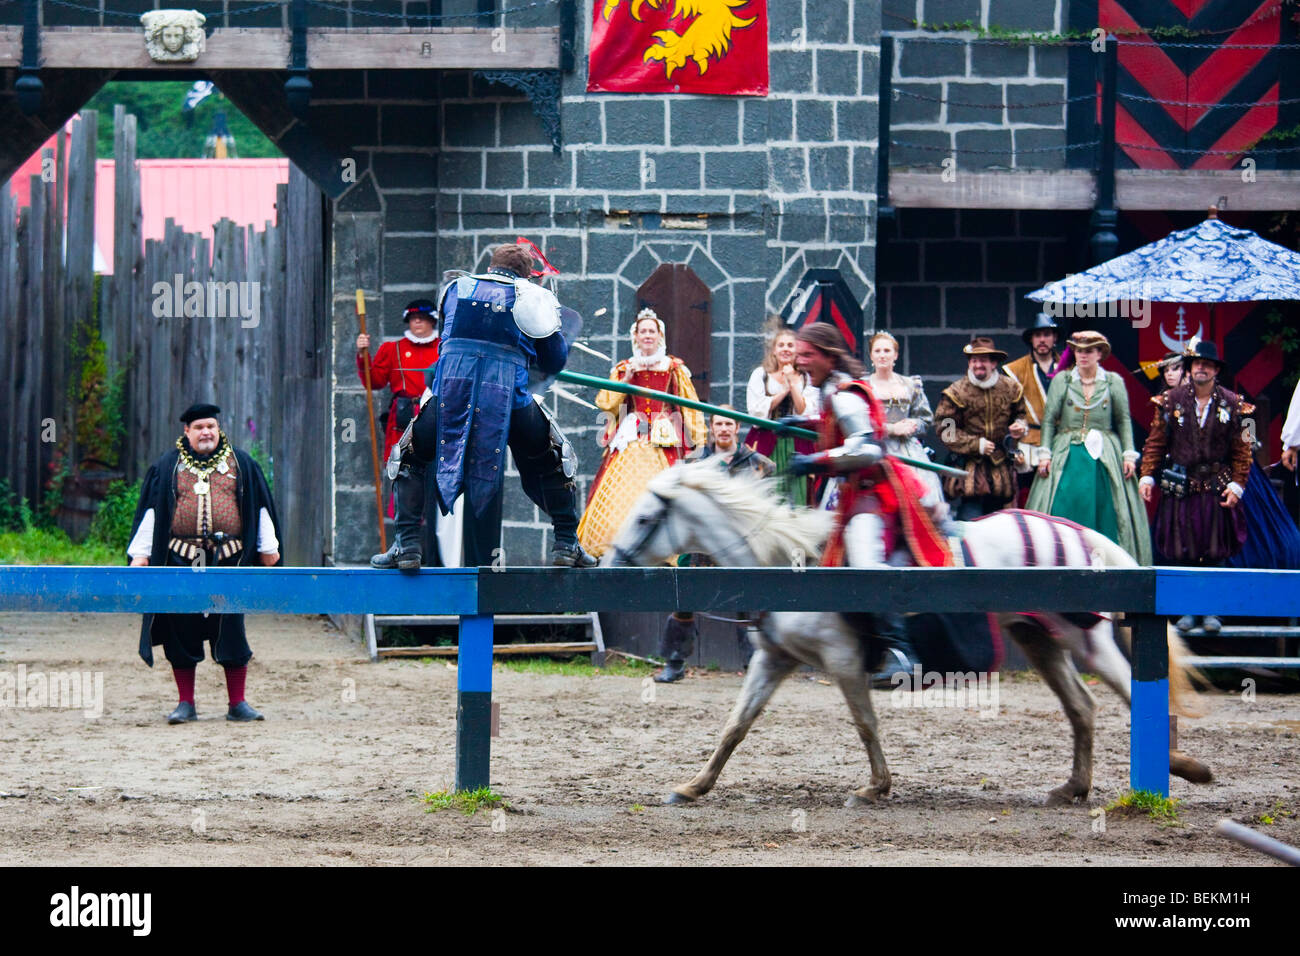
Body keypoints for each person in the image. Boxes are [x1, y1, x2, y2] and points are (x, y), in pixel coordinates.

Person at [379, 243, 596, 569]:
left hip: (451, 396)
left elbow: (448, 345)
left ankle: (407, 544)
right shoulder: (533, 297)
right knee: (553, 457)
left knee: (410, 454)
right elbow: (553, 359)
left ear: (492, 265)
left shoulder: (455, 288)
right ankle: (566, 542)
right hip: (510, 399)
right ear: (525, 273)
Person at [788, 323, 953, 681]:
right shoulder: (834, 390)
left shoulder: (844, 393)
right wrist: (799, 424)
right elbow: (837, 427)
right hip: (856, 494)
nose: (800, 362)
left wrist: (815, 462)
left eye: (807, 355)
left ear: (828, 357)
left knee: (865, 564)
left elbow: (865, 449)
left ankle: (902, 653)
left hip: (873, 495)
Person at [127, 403, 282, 724]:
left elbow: (260, 506)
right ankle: (186, 704)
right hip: (181, 560)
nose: (206, 432)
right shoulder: (167, 466)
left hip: (229, 562)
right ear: (187, 432)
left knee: (231, 630)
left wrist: (269, 547)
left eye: (211, 426)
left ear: (218, 428)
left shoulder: (242, 463)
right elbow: (152, 513)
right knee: (180, 631)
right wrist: (140, 554)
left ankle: (237, 703)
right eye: (199, 427)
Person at [1139, 341, 1253, 633]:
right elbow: (1155, 443)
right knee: (1182, 550)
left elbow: (1244, 448)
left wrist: (1238, 485)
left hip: (1217, 484)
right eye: (1196, 363)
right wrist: (1148, 476)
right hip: (1182, 485)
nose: (1201, 368)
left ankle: (1213, 611)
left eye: (1207, 364)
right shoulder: (1169, 401)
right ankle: (1187, 610)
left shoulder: (1235, 403)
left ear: (1216, 369)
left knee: (1216, 550)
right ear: (1190, 368)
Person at [654, 408, 775, 683]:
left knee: (747, 603)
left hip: (740, 542)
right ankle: (674, 663)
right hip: (701, 543)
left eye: (728, 424)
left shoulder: (757, 464)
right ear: (711, 427)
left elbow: (765, 501)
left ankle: (754, 666)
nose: (723, 428)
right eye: (718, 423)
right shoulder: (695, 460)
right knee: (684, 600)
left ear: (737, 427)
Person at [576, 307, 707, 558]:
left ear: (660, 336)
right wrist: (625, 380)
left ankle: (662, 552)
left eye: (652, 331)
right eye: (642, 331)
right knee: (618, 494)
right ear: (635, 336)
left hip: (663, 439)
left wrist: (698, 440)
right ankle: (612, 546)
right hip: (632, 437)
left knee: (663, 492)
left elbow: (690, 404)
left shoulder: (673, 368)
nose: (647, 335)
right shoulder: (625, 367)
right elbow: (606, 403)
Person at [1027, 331, 1151, 564]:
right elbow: (1049, 418)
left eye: (1089, 351)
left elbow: (1123, 419)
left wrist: (1128, 455)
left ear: (1099, 354)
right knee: (1063, 502)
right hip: (1067, 450)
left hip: (1104, 453)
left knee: (1106, 506)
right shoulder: (1062, 380)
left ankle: (1105, 559)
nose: (1082, 355)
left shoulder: (1113, 381)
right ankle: (1060, 557)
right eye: (1079, 350)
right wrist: (1045, 454)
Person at [934, 337, 1029, 520]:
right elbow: (945, 430)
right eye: (974, 360)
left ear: (993, 363)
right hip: (970, 468)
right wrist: (976, 444)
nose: (978, 365)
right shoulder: (956, 392)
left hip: (1001, 468)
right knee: (971, 522)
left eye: (983, 360)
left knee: (1000, 522)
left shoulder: (1011, 388)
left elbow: (1021, 414)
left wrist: (1020, 427)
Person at [355, 299, 441, 499]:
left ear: (432, 321)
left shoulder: (444, 347)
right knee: (404, 477)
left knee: (435, 476)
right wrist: (363, 355)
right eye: (413, 318)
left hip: (437, 417)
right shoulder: (392, 349)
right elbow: (373, 382)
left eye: (422, 318)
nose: (417, 322)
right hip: (403, 420)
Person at [744, 319, 818, 504]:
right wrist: (783, 391)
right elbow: (756, 412)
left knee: (799, 495)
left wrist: (793, 383)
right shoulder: (761, 375)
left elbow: (806, 412)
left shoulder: (807, 378)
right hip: (767, 441)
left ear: (796, 350)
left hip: (797, 442)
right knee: (767, 495)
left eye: (790, 345)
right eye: (781, 345)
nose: (786, 349)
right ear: (774, 350)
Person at [866, 330, 944, 508]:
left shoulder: (910, 384)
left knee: (920, 501)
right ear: (871, 355)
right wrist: (891, 429)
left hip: (908, 451)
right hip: (876, 449)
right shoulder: (864, 386)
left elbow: (925, 419)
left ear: (896, 355)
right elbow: (860, 422)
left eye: (887, 351)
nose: (882, 355)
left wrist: (913, 424)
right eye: (877, 351)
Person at [1002, 312, 1066, 500]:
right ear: (1031, 339)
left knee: (1060, 496)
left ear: (1054, 338)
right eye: (1038, 335)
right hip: (1029, 441)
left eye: (1047, 334)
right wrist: (1014, 426)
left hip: (1060, 440)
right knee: (1028, 497)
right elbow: (1007, 408)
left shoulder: (1069, 368)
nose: (1042, 340)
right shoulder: (1015, 370)